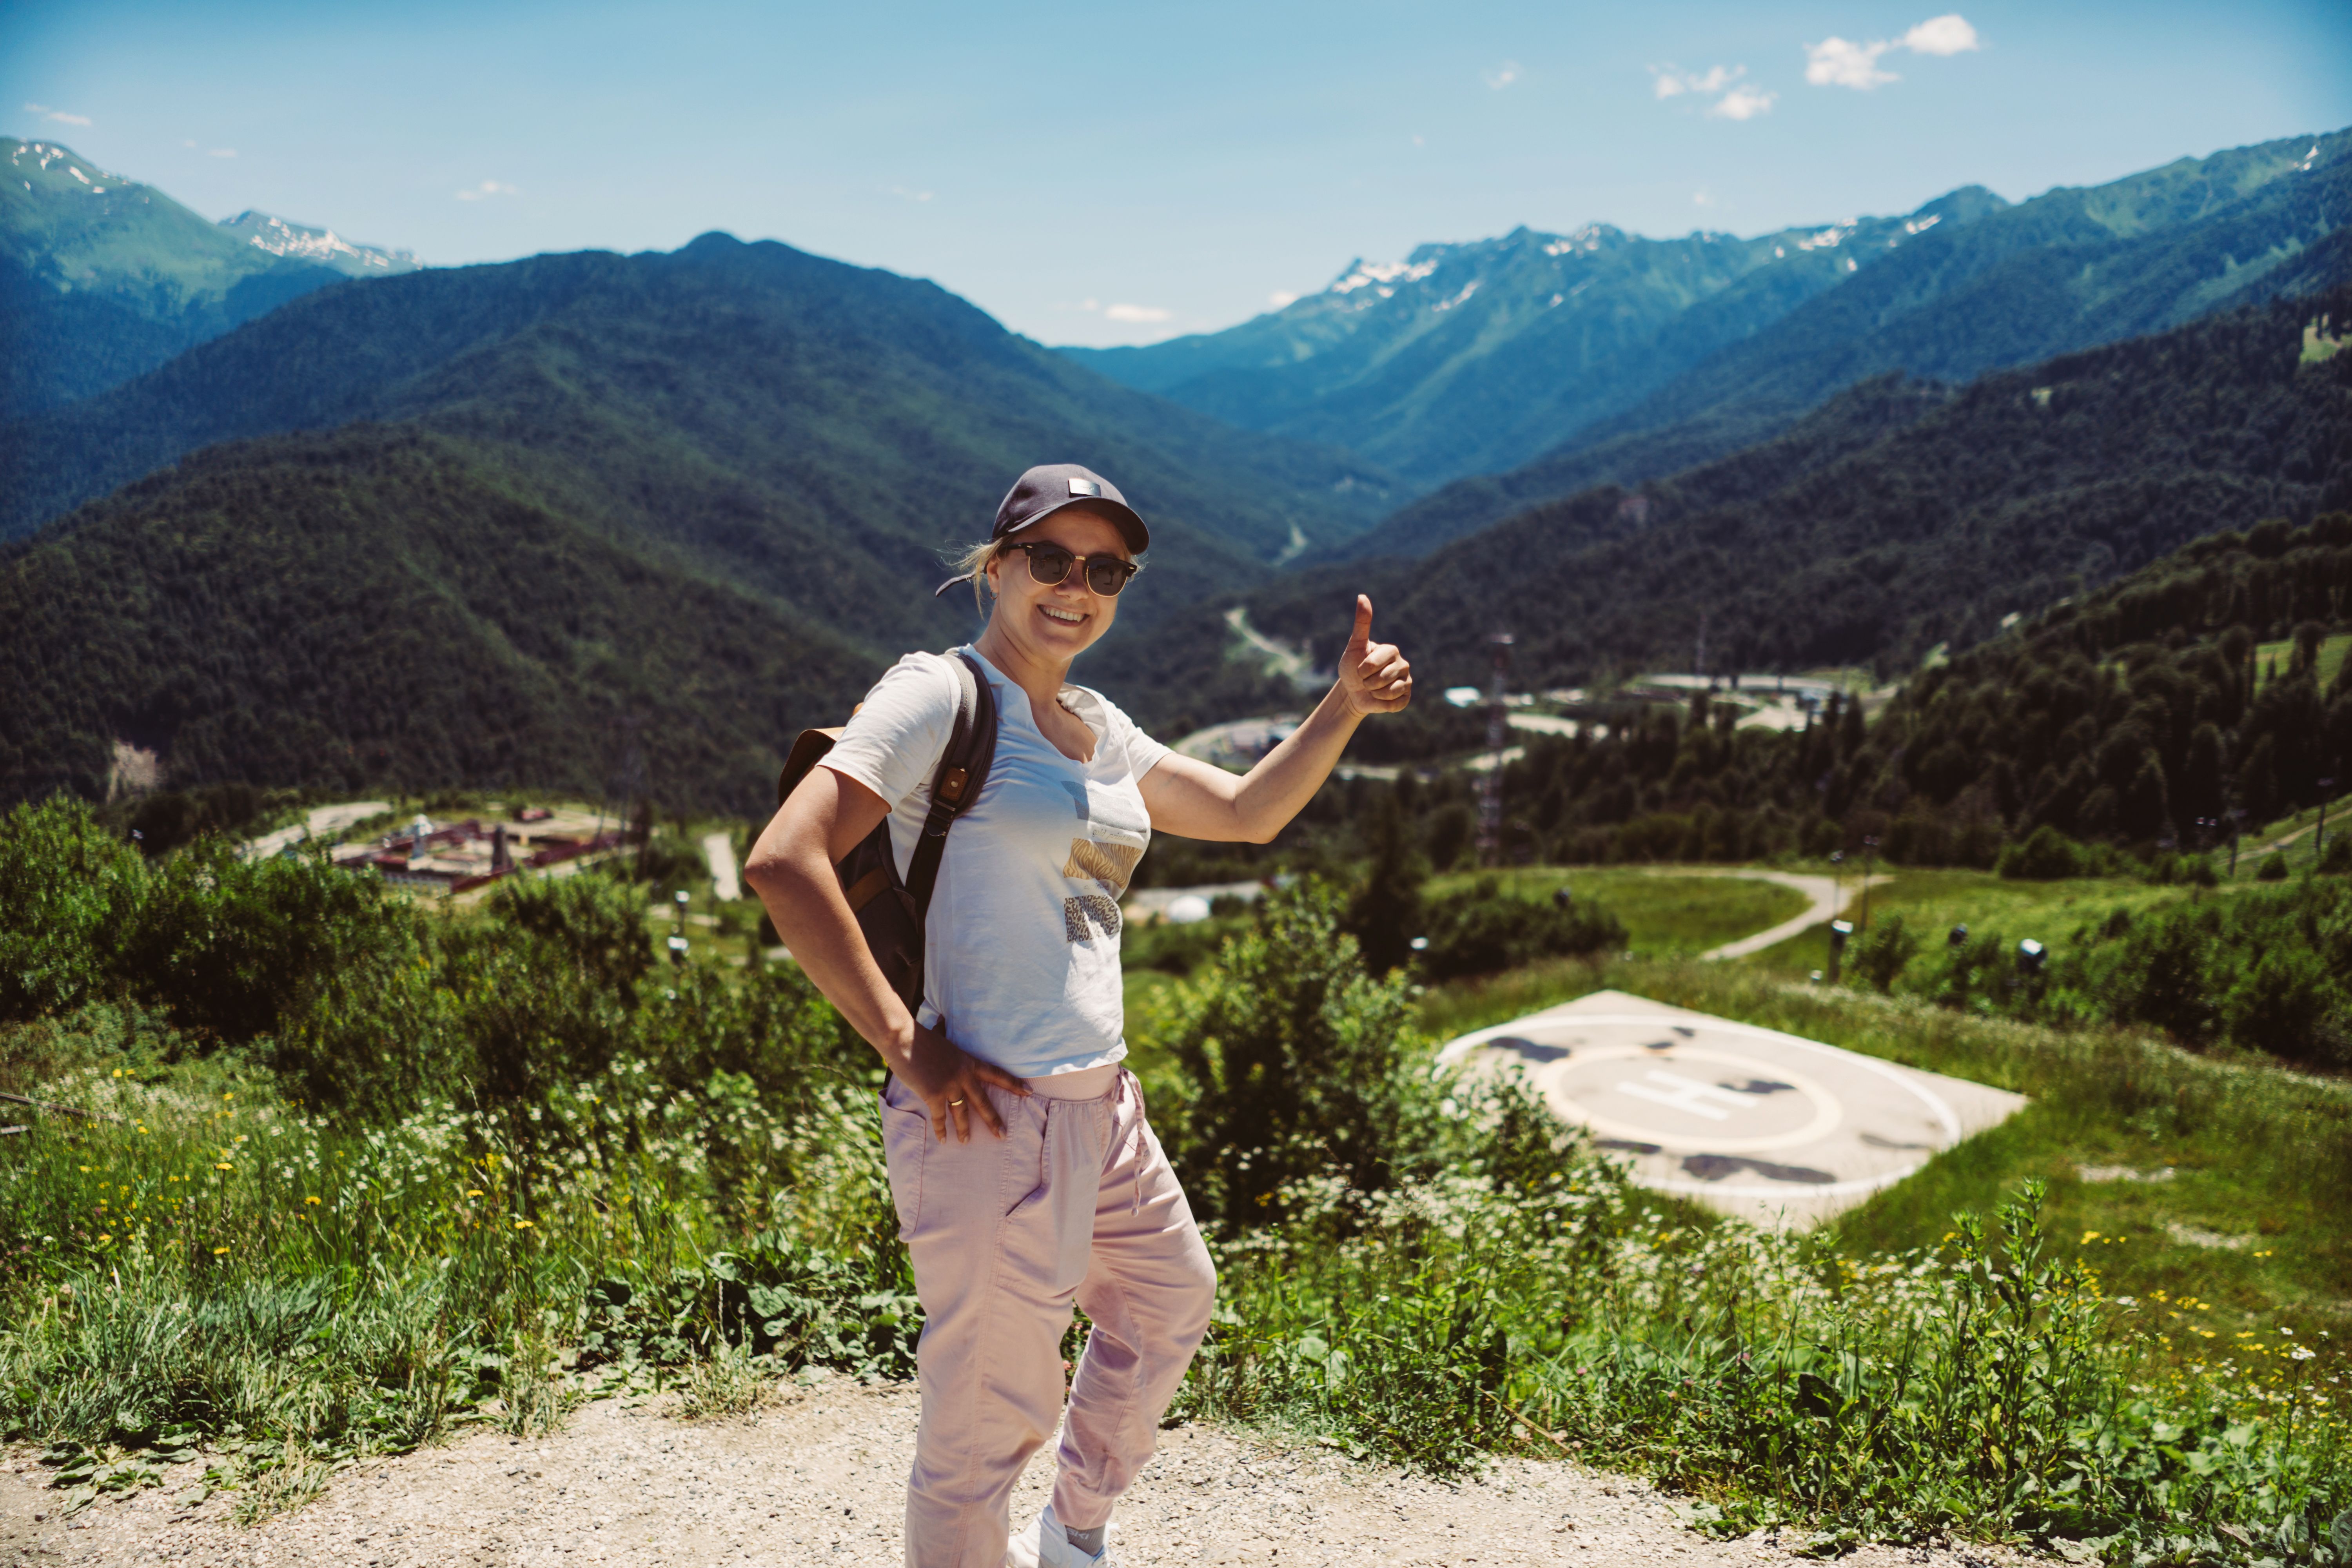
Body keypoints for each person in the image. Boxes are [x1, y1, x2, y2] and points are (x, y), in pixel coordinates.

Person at [744, 462, 1412, 1568]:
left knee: (1166, 1306)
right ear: (997, 568)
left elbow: (1247, 814)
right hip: (986, 1122)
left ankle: (1075, 1534)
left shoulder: (1098, 725)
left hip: (1105, 1113)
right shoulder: (939, 694)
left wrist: (1341, 705)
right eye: (1051, 559)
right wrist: (909, 1049)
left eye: (1106, 569)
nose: (1077, 586)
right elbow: (784, 859)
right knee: (982, 1427)